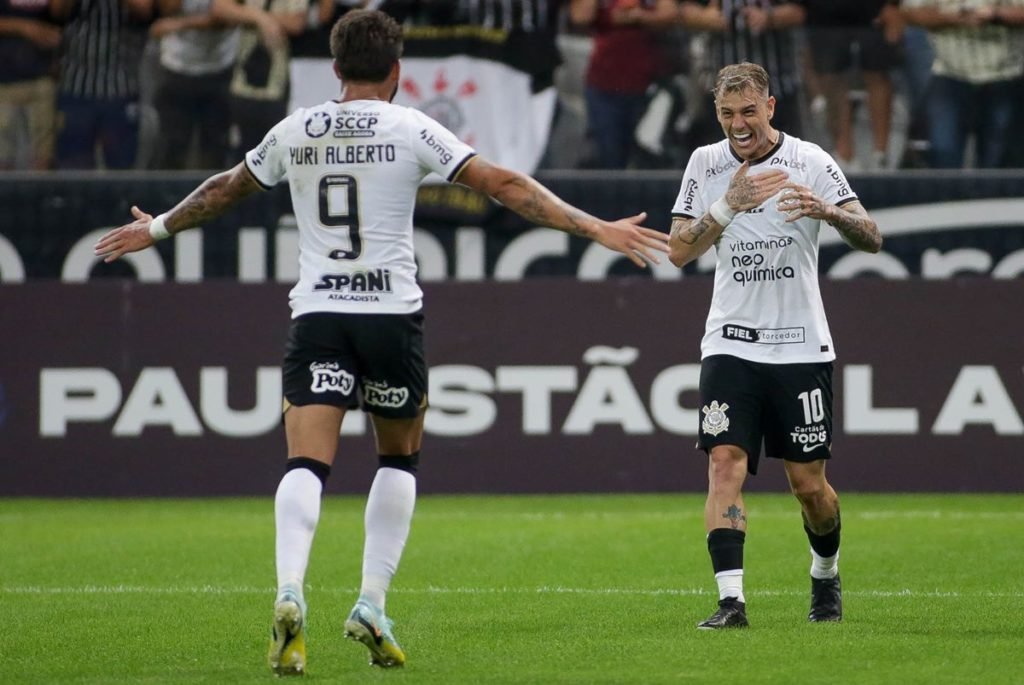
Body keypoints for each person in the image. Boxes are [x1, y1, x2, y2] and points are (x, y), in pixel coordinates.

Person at [94, 8, 669, 675]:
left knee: (305, 464)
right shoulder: (411, 126)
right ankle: (369, 601)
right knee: (399, 459)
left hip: (319, 316)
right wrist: (596, 227)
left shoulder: (297, 128)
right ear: (397, 71)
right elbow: (505, 186)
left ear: (336, 69)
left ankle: (288, 590)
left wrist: (157, 229)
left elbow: (227, 188)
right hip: (390, 316)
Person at [667, 62, 881, 629]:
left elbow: (872, 237)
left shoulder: (810, 160)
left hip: (800, 348)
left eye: (748, 112)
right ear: (717, 113)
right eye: (727, 114)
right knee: (724, 463)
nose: (738, 124)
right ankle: (731, 602)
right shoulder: (706, 164)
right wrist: (726, 206)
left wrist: (827, 211)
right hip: (730, 344)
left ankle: (825, 576)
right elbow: (678, 251)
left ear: (770, 107)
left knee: (809, 486)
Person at [902, 0, 1024, 169]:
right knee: (943, 155)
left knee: (998, 163)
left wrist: (996, 14)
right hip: (949, 74)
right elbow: (911, 12)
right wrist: (952, 16)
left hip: (1005, 76)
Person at [679, 0, 808, 144]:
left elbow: (800, 11)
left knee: (784, 155)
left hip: (776, 88)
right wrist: (705, 17)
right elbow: (683, 10)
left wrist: (769, 17)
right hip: (720, 90)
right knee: (722, 158)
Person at [569, 0, 678, 169]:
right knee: (608, 158)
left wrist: (639, 16)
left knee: (650, 155)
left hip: (649, 86)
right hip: (604, 85)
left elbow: (671, 14)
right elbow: (580, 16)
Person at [51, 0, 154, 169]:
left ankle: (122, 196)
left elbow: (143, 9)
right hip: (76, 87)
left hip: (120, 87)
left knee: (121, 164)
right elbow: (57, 11)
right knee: (72, 164)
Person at [803, 0, 903, 171]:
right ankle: (844, 154)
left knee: (877, 75)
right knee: (831, 79)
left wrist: (893, 5)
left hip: (874, 13)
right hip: (825, 15)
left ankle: (881, 156)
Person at [0, 0, 61, 170]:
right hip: (4, 83)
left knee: (43, 160)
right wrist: (25, 28)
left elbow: (62, 17)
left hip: (43, 80)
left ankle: (42, 196)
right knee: (3, 161)